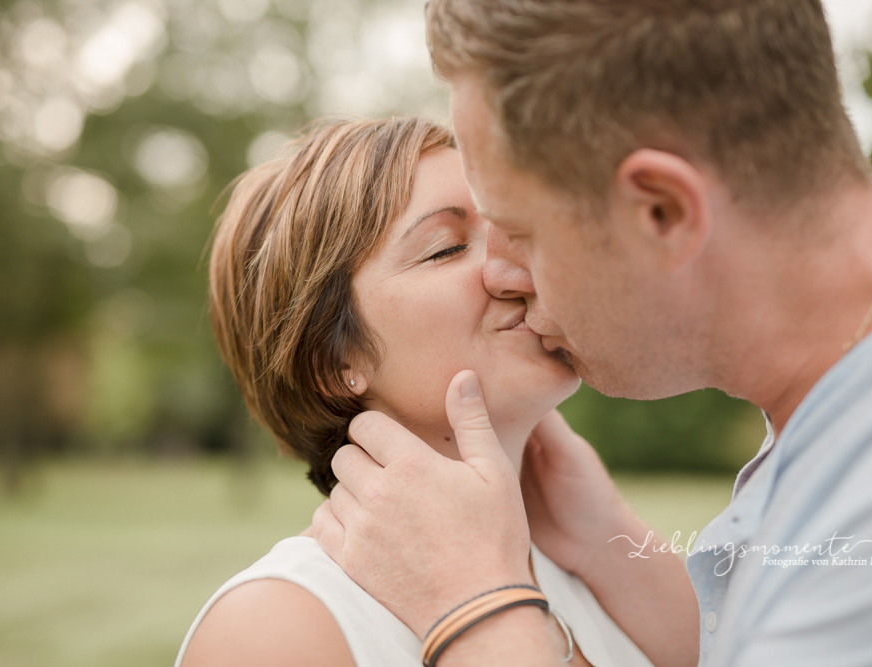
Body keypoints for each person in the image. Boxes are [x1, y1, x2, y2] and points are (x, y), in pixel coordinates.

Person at [311, 1, 872, 666]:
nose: (499, 272)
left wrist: (476, 607)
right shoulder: (863, 405)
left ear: (662, 212)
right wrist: (612, 545)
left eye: (517, 230)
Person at [174, 117, 659, 667]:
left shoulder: (594, 563)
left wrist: (609, 537)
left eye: (511, 225)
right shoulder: (275, 629)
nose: (516, 266)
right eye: (447, 249)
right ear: (334, 362)